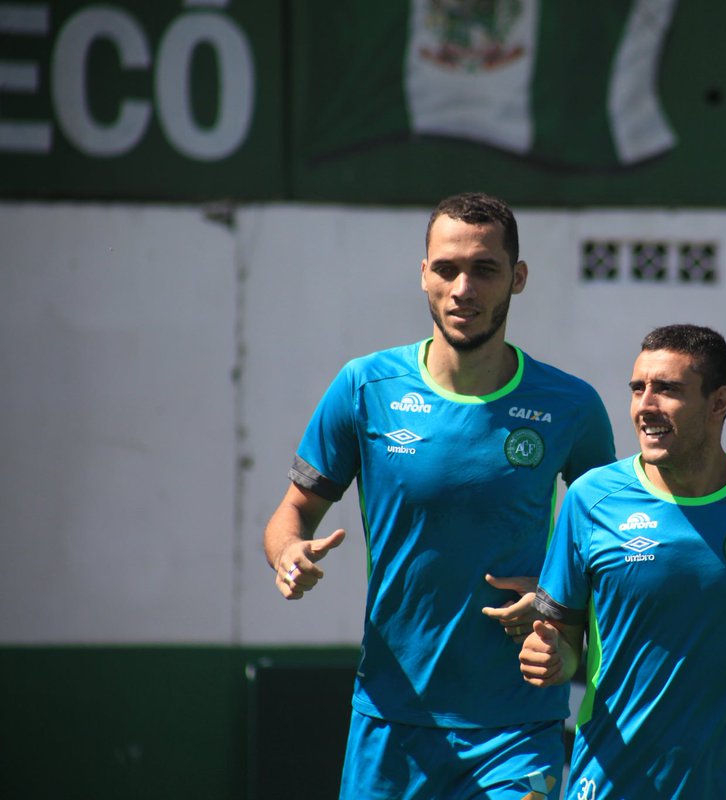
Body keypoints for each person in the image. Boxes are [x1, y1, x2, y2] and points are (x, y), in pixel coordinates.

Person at [263, 191, 616, 800]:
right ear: (423, 273)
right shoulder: (364, 387)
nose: (463, 288)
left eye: (484, 269)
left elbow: (609, 556)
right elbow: (290, 515)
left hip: (518, 724)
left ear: (518, 278)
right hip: (391, 722)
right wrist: (288, 555)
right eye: (447, 268)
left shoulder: (572, 407)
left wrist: (561, 613)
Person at [518, 323, 726, 799]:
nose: (646, 405)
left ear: (719, 403)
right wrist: (551, 657)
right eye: (637, 388)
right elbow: (563, 640)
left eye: (667, 389)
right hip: (611, 783)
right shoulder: (591, 499)